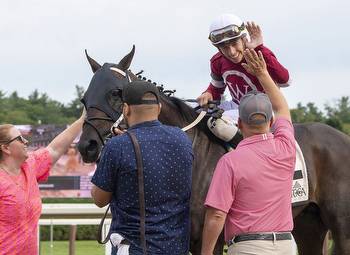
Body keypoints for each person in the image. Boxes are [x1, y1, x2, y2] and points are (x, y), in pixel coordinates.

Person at [201, 48, 296, 255]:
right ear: (270, 122)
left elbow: (217, 215)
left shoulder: (229, 161)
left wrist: (206, 252)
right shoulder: (287, 146)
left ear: (239, 123)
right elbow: (282, 108)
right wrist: (262, 73)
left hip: (248, 247)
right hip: (286, 245)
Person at [90, 80, 193, 255]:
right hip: (177, 248)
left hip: (134, 248)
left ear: (126, 109)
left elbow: (99, 199)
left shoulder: (117, 146)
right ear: (159, 108)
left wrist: (113, 152)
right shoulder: (182, 139)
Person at [0, 111, 85, 255]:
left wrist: (82, 119)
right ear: (5, 148)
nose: (26, 141)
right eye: (20, 139)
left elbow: (54, 148)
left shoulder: (29, 166)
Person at [196, 14, 290, 143]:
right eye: (224, 47)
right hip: (236, 106)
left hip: (264, 109)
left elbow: (286, 80)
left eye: (235, 43)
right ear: (218, 48)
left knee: (217, 123)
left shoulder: (260, 53)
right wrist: (208, 94)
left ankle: (244, 151)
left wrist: (260, 48)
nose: (232, 52)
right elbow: (216, 90)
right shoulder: (217, 61)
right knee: (194, 111)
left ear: (244, 39)